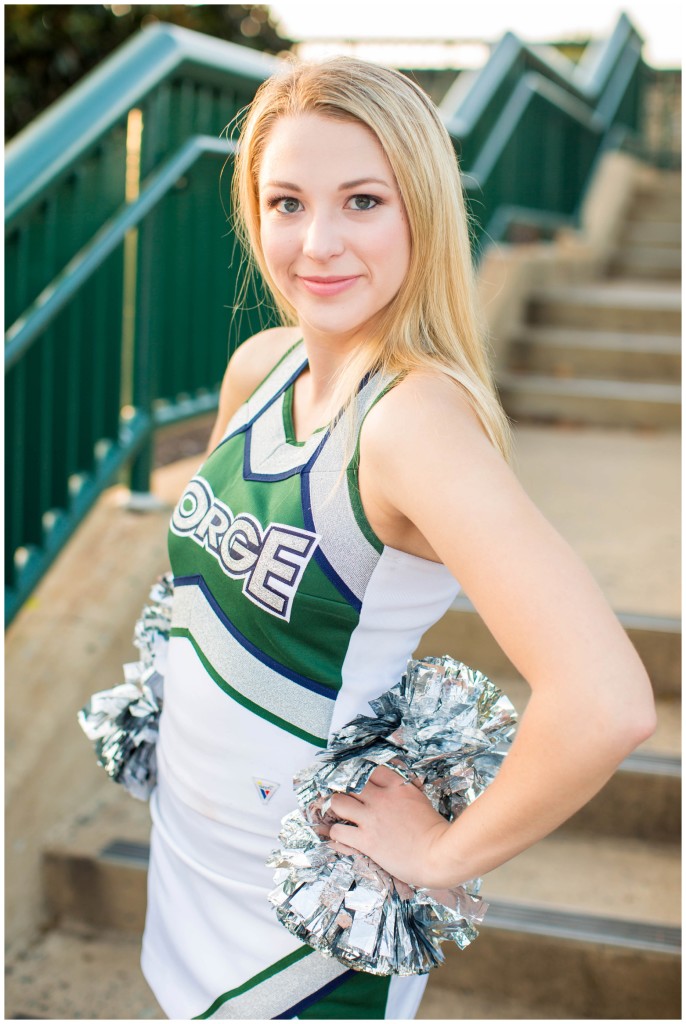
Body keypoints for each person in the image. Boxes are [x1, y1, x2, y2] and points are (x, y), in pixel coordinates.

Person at [140, 55, 656, 1020]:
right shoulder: (260, 369)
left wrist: (441, 855)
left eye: (364, 201)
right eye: (286, 202)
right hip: (190, 869)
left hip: (304, 935)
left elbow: (607, 701)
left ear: (420, 209)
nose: (319, 242)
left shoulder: (414, 426)